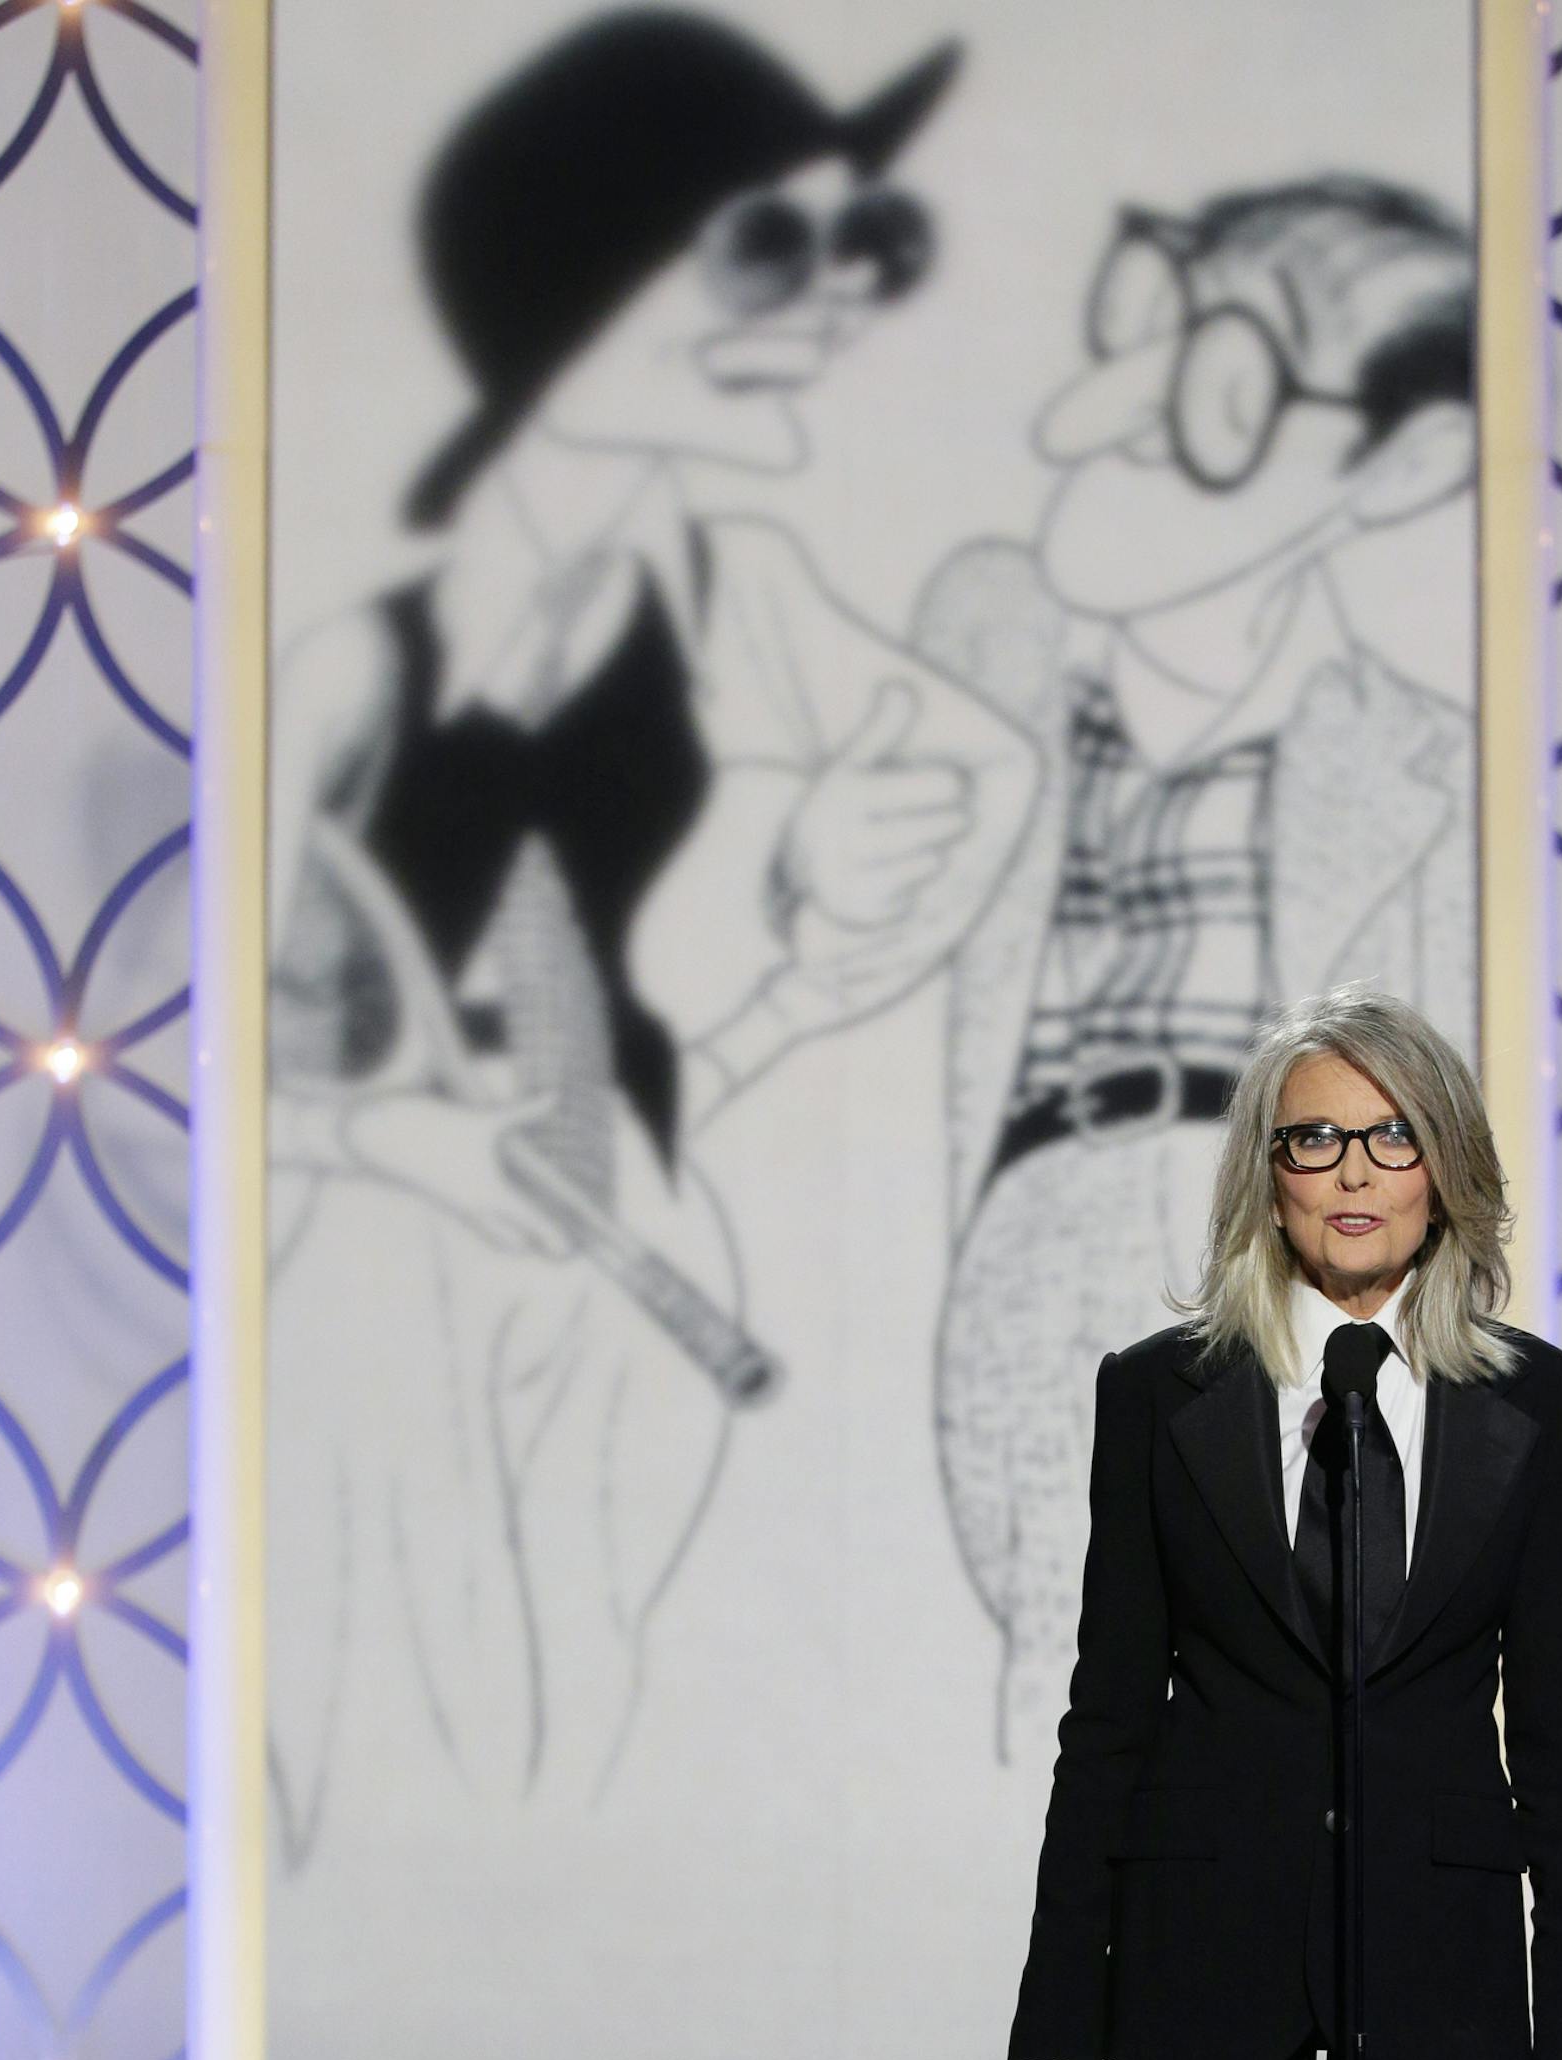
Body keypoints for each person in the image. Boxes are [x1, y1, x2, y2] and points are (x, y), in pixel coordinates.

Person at [265, 12, 1036, 1851]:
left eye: (877, 247)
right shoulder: (357, 666)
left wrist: (769, 984)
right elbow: (192, 1067)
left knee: (581, 1732)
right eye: (772, 243)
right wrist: (404, 1141)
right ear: (570, 280)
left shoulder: (733, 588)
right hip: (386, 1267)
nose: (841, 299)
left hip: (643, 1260)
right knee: (395, 1760)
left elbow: (984, 784)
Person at [915, 177, 1479, 1762]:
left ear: (1409, 462)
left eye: (1222, 385)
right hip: (1039, 1221)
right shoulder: (992, 639)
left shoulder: (1423, 769)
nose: (1110, 420)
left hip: (1267, 1226)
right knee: (1077, 1693)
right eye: (1139, 334)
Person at [1002, 985, 1562, 2060]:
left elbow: (1560, 1735)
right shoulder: (1159, 1394)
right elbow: (1106, 1720)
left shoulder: (1539, 1405)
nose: (1355, 1171)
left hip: (1439, 1959)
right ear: (1265, 1174)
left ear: (1447, 1167)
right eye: (1314, 1139)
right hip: (1205, 1956)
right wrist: (1055, 2027)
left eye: (1393, 1135)